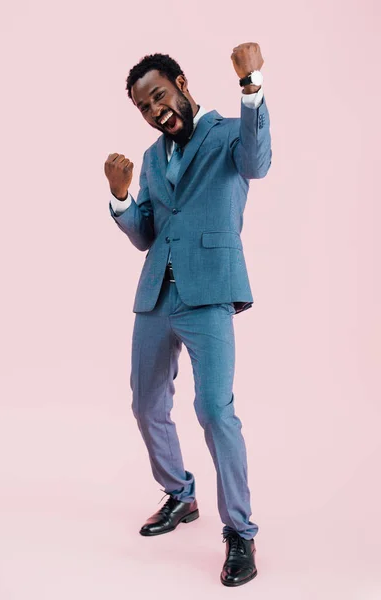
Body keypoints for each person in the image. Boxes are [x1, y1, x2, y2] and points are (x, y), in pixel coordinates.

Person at [104, 42, 272, 587]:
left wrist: (252, 88)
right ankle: (180, 494)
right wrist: (125, 199)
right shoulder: (152, 159)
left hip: (209, 295)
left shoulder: (225, 134)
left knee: (214, 411)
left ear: (181, 83)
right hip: (157, 297)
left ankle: (240, 532)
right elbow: (148, 234)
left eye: (159, 95)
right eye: (144, 107)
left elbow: (257, 162)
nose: (156, 110)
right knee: (145, 404)